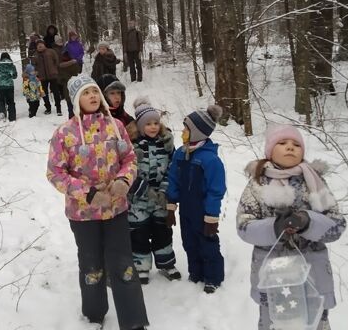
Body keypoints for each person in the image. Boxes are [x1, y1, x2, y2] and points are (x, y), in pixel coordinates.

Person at [46, 74, 149, 330]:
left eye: (94, 92)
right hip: (83, 215)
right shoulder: (64, 133)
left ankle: (134, 320)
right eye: (86, 93)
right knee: (91, 266)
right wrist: (88, 193)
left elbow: (130, 159)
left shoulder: (116, 126)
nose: (92, 96)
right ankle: (94, 316)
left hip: (116, 209)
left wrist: (124, 182)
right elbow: (55, 173)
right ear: (76, 100)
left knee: (123, 264)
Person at [236, 125, 346, 330]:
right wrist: (274, 228)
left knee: (315, 323)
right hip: (273, 278)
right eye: (282, 143)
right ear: (270, 150)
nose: (290, 147)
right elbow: (244, 227)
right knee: (274, 323)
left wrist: (307, 221)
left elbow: (337, 225)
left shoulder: (314, 182)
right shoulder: (257, 184)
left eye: (296, 144)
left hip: (312, 275)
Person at [166, 104, 226, 294]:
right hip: (186, 209)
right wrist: (170, 205)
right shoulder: (180, 154)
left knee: (207, 243)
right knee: (189, 241)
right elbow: (173, 179)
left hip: (203, 210)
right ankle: (196, 272)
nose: (183, 132)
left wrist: (211, 217)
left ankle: (213, 277)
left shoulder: (210, 160)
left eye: (186, 128)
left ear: (198, 132)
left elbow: (216, 190)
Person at [125, 97, 181, 284]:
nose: (153, 127)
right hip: (137, 200)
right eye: (148, 124)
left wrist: (164, 190)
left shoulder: (166, 143)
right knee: (139, 233)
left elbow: (173, 167)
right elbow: (127, 170)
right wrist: (142, 190)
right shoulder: (132, 145)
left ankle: (166, 264)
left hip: (161, 199)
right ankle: (141, 266)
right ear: (140, 126)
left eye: (156, 123)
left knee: (162, 231)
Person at [33, 39, 62, 115]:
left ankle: (58, 108)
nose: (40, 46)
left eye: (41, 44)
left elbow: (56, 61)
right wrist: (36, 73)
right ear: (37, 47)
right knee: (44, 93)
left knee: (56, 92)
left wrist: (54, 69)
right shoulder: (35, 55)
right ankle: (48, 108)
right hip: (42, 77)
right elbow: (34, 65)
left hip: (53, 75)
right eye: (38, 45)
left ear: (44, 45)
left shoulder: (51, 51)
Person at [56, 35, 81, 118]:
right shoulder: (73, 63)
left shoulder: (62, 65)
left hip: (70, 87)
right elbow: (78, 73)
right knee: (73, 106)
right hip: (73, 87)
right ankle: (74, 120)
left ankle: (73, 120)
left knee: (71, 107)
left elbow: (59, 79)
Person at [0, 52, 17, 121]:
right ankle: (12, 117)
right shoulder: (11, 65)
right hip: (9, 86)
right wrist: (10, 74)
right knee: (11, 101)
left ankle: (2, 111)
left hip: (0, 86)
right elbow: (15, 76)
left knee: (1, 100)